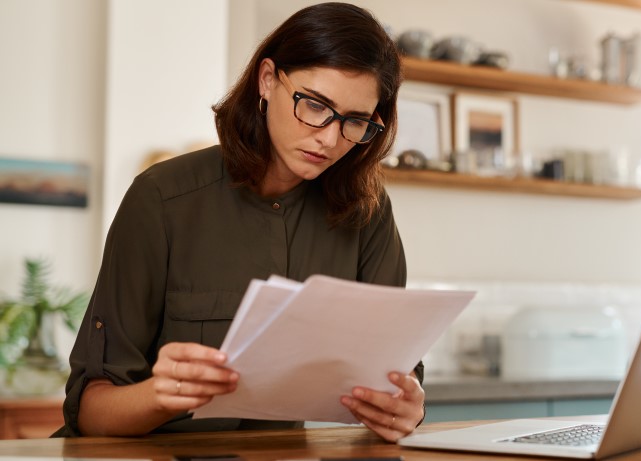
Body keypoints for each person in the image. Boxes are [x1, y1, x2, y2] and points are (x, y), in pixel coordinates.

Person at [55, 2, 425, 442]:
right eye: (314, 105)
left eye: (355, 121)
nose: (328, 137)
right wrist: (164, 394)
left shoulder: (367, 210)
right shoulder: (161, 198)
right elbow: (91, 412)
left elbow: (396, 373)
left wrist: (406, 407)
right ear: (267, 80)